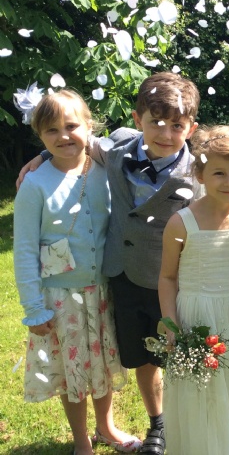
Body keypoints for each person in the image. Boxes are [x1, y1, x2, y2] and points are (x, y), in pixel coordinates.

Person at [17, 72, 202, 454]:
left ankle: (176, 424)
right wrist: (44, 155)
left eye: (176, 125)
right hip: (114, 281)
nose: (165, 132)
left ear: (191, 127)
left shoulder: (195, 169)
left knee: (169, 356)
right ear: (137, 120)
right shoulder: (114, 152)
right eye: (155, 122)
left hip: (165, 280)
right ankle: (145, 426)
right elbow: (71, 141)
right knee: (128, 359)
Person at [13, 89, 142, 455]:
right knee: (73, 372)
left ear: (89, 126)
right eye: (51, 131)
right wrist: (34, 308)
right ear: (39, 135)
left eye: (71, 126)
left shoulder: (107, 169)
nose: (63, 136)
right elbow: (24, 249)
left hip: (103, 291)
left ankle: (106, 427)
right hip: (60, 299)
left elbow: (142, 145)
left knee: (101, 365)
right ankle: (81, 439)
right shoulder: (35, 184)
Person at [158, 125, 229, 454]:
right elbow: (167, 277)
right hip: (198, 318)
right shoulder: (182, 223)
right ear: (200, 174)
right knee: (203, 396)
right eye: (219, 173)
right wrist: (171, 325)